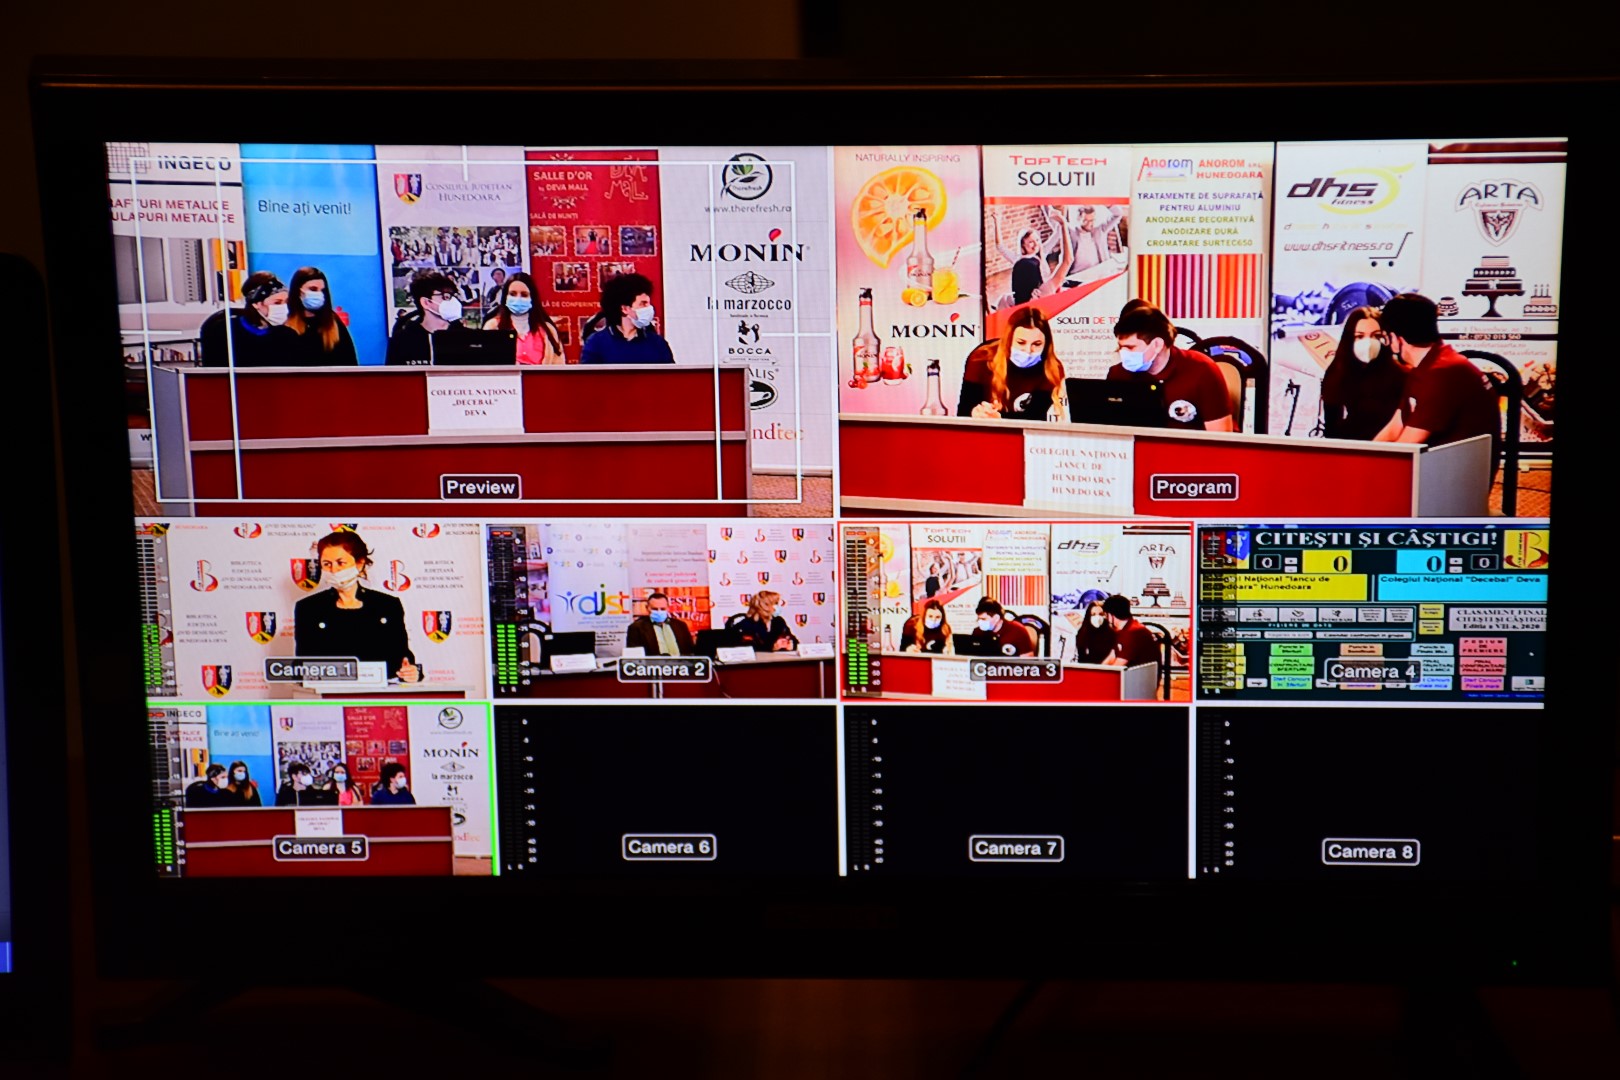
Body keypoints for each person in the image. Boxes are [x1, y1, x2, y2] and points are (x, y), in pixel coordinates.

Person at [293, 530, 423, 683]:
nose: (334, 570)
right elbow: (303, 665)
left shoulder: (387, 605)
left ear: (360, 563)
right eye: (327, 564)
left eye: (341, 563)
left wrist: (411, 672)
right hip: (330, 692)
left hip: (381, 692)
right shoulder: (308, 608)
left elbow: (403, 657)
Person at [1372, 293, 1499, 448]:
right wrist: (1366, 456)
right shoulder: (1427, 365)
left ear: (1395, 338)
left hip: (1458, 462)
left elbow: (1408, 445)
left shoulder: (1441, 373)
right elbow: (1395, 426)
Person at [1106, 303, 1234, 431]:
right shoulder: (1118, 373)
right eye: (1120, 347)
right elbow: (1111, 430)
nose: (1123, 353)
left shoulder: (1202, 370)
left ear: (1157, 345)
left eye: (1130, 347)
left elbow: (1220, 436)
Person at [958, 306, 1067, 421]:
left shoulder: (1052, 369)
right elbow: (963, 410)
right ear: (1008, 340)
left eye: (1037, 344)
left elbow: (1035, 417)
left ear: (1046, 345)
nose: (1028, 350)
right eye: (1021, 342)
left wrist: (1000, 418)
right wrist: (975, 412)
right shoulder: (981, 358)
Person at [1318, 306, 1404, 440]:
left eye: (1376, 336)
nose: (1368, 342)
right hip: (1352, 444)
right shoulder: (1338, 371)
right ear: (1350, 339)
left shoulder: (1399, 374)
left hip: (1391, 444)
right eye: (1359, 336)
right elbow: (1331, 426)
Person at [199, 270, 295, 367]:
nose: (284, 307)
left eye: (286, 302)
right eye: (277, 303)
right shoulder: (223, 331)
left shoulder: (287, 336)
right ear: (256, 303)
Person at [579, 272, 674, 364]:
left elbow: (670, 374)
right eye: (643, 304)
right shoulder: (596, 343)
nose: (649, 308)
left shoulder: (658, 343)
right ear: (625, 309)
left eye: (649, 304)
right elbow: (588, 374)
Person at [989, 208, 1072, 308]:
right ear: (1022, 246)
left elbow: (1057, 235)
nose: (1036, 244)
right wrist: (997, 222)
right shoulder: (1019, 260)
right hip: (1037, 294)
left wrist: (1061, 218)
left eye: (1037, 240)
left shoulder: (1042, 251)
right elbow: (1000, 246)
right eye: (1031, 242)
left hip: (1049, 288)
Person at [384, 270, 467, 366]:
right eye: (446, 297)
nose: (453, 302)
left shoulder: (466, 338)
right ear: (426, 302)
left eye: (453, 297)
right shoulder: (402, 340)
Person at [483, 271, 564, 365]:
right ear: (505, 297)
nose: (518, 298)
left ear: (532, 298)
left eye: (524, 294)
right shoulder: (492, 327)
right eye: (513, 294)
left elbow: (559, 366)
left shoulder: (548, 330)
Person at [284, 266, 359, 366]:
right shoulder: (285, 324)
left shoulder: (333, 322)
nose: (318, 294)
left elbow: (350, 363)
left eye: (322, 290)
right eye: (313, 289)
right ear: (298, 291)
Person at [1101, 595, 1159, 672]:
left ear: (1111, 615)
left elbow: (1117, 667)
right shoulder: (1125, 629)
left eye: (1105, 615)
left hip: (1141, 676)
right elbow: (1112, 656)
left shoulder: (1133, 633)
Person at [625, 591, 694, 656]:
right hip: (653, 664)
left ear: (668, 608)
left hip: (680, 664)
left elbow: (690, 651)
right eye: (655, 609)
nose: (659, 612)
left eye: (662, 609)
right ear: (647, 608)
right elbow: (634, 655)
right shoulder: (636, 628)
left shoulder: (681, 626)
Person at [969, 598, 1036, 657]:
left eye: (983, 619)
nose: (980, 622)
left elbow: (1027, 658)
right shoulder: (978, 632)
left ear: (996, 618)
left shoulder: (1017, 630)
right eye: (979, 619)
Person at [1071, 592, 1117, 664]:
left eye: (1101, 614)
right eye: (1093, 614)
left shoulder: (1113, 634)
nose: (1097, 617)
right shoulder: (1082, 634)